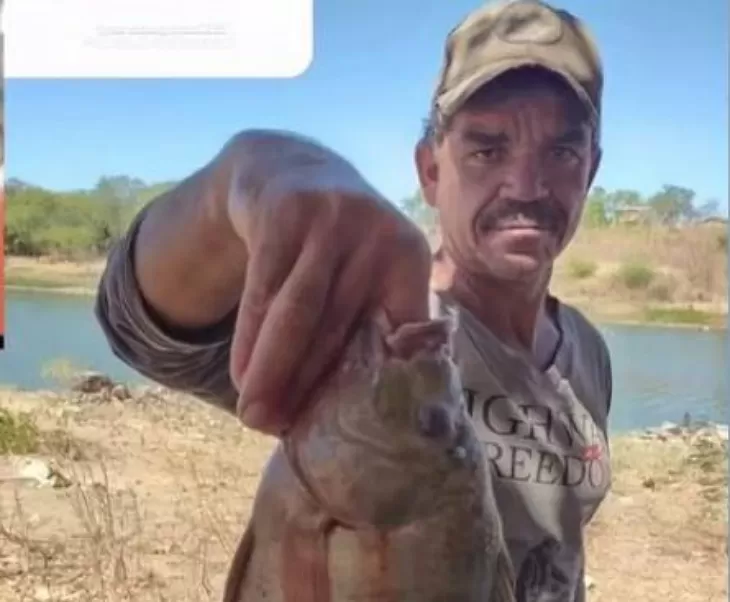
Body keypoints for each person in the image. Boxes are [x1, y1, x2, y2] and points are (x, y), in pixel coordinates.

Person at [95, 1, 613, 600]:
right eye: (487, 150)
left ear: (591, 169)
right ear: (430, 170)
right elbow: (139, 325)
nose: (527, 186)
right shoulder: (366, 330)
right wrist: (236, 182)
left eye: (562, 152)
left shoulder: (587, 350)